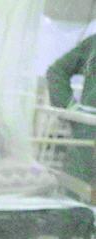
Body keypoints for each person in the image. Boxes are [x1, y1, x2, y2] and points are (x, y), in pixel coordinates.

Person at [46, 34, 95, 184]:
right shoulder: (93, 44)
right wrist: (70, 109)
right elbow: (57, 72)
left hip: (86, 131)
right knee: (78, 188)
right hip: (88, 134)